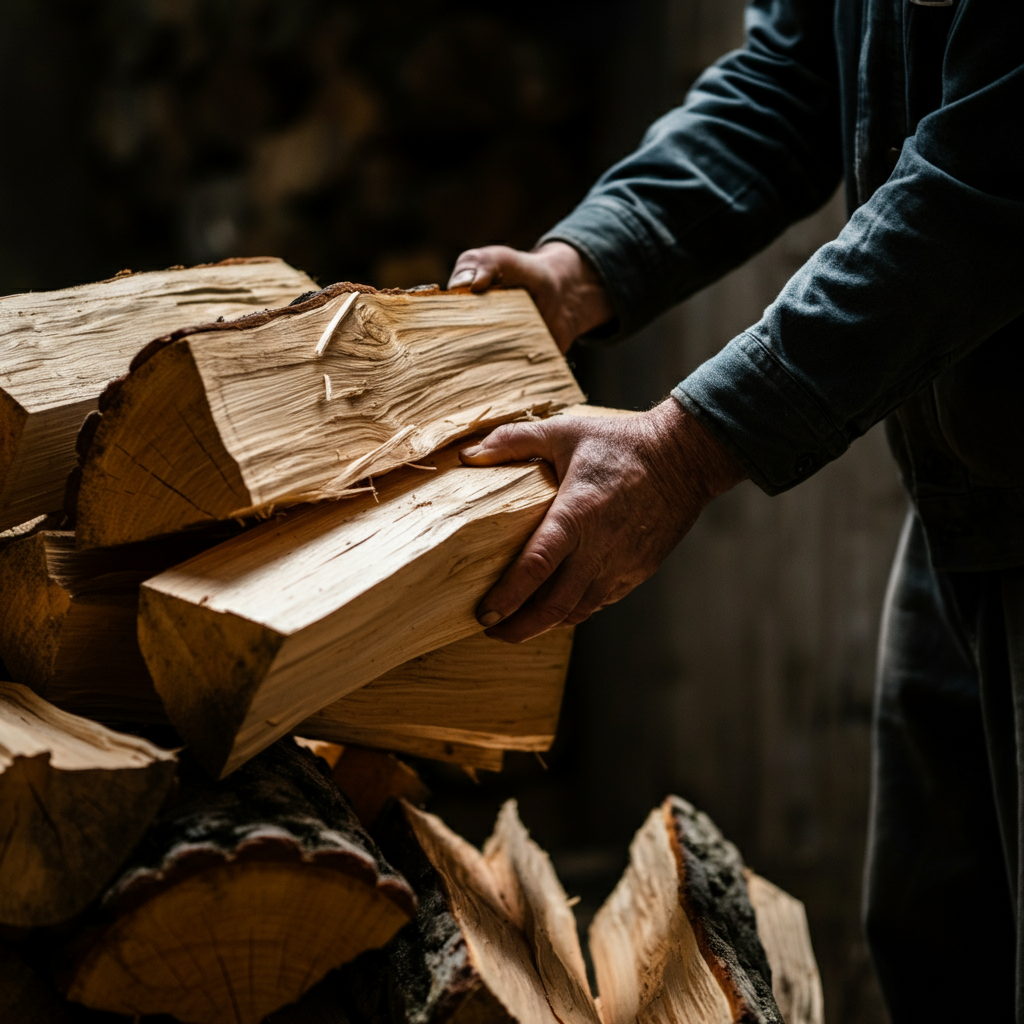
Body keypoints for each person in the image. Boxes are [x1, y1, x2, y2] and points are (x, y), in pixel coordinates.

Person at [445, 0, 1024, 1020]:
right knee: (938, 940)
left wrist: (684, 450)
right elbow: (793, 74)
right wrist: (580, 268)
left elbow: (994, 172)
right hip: (963, 500)